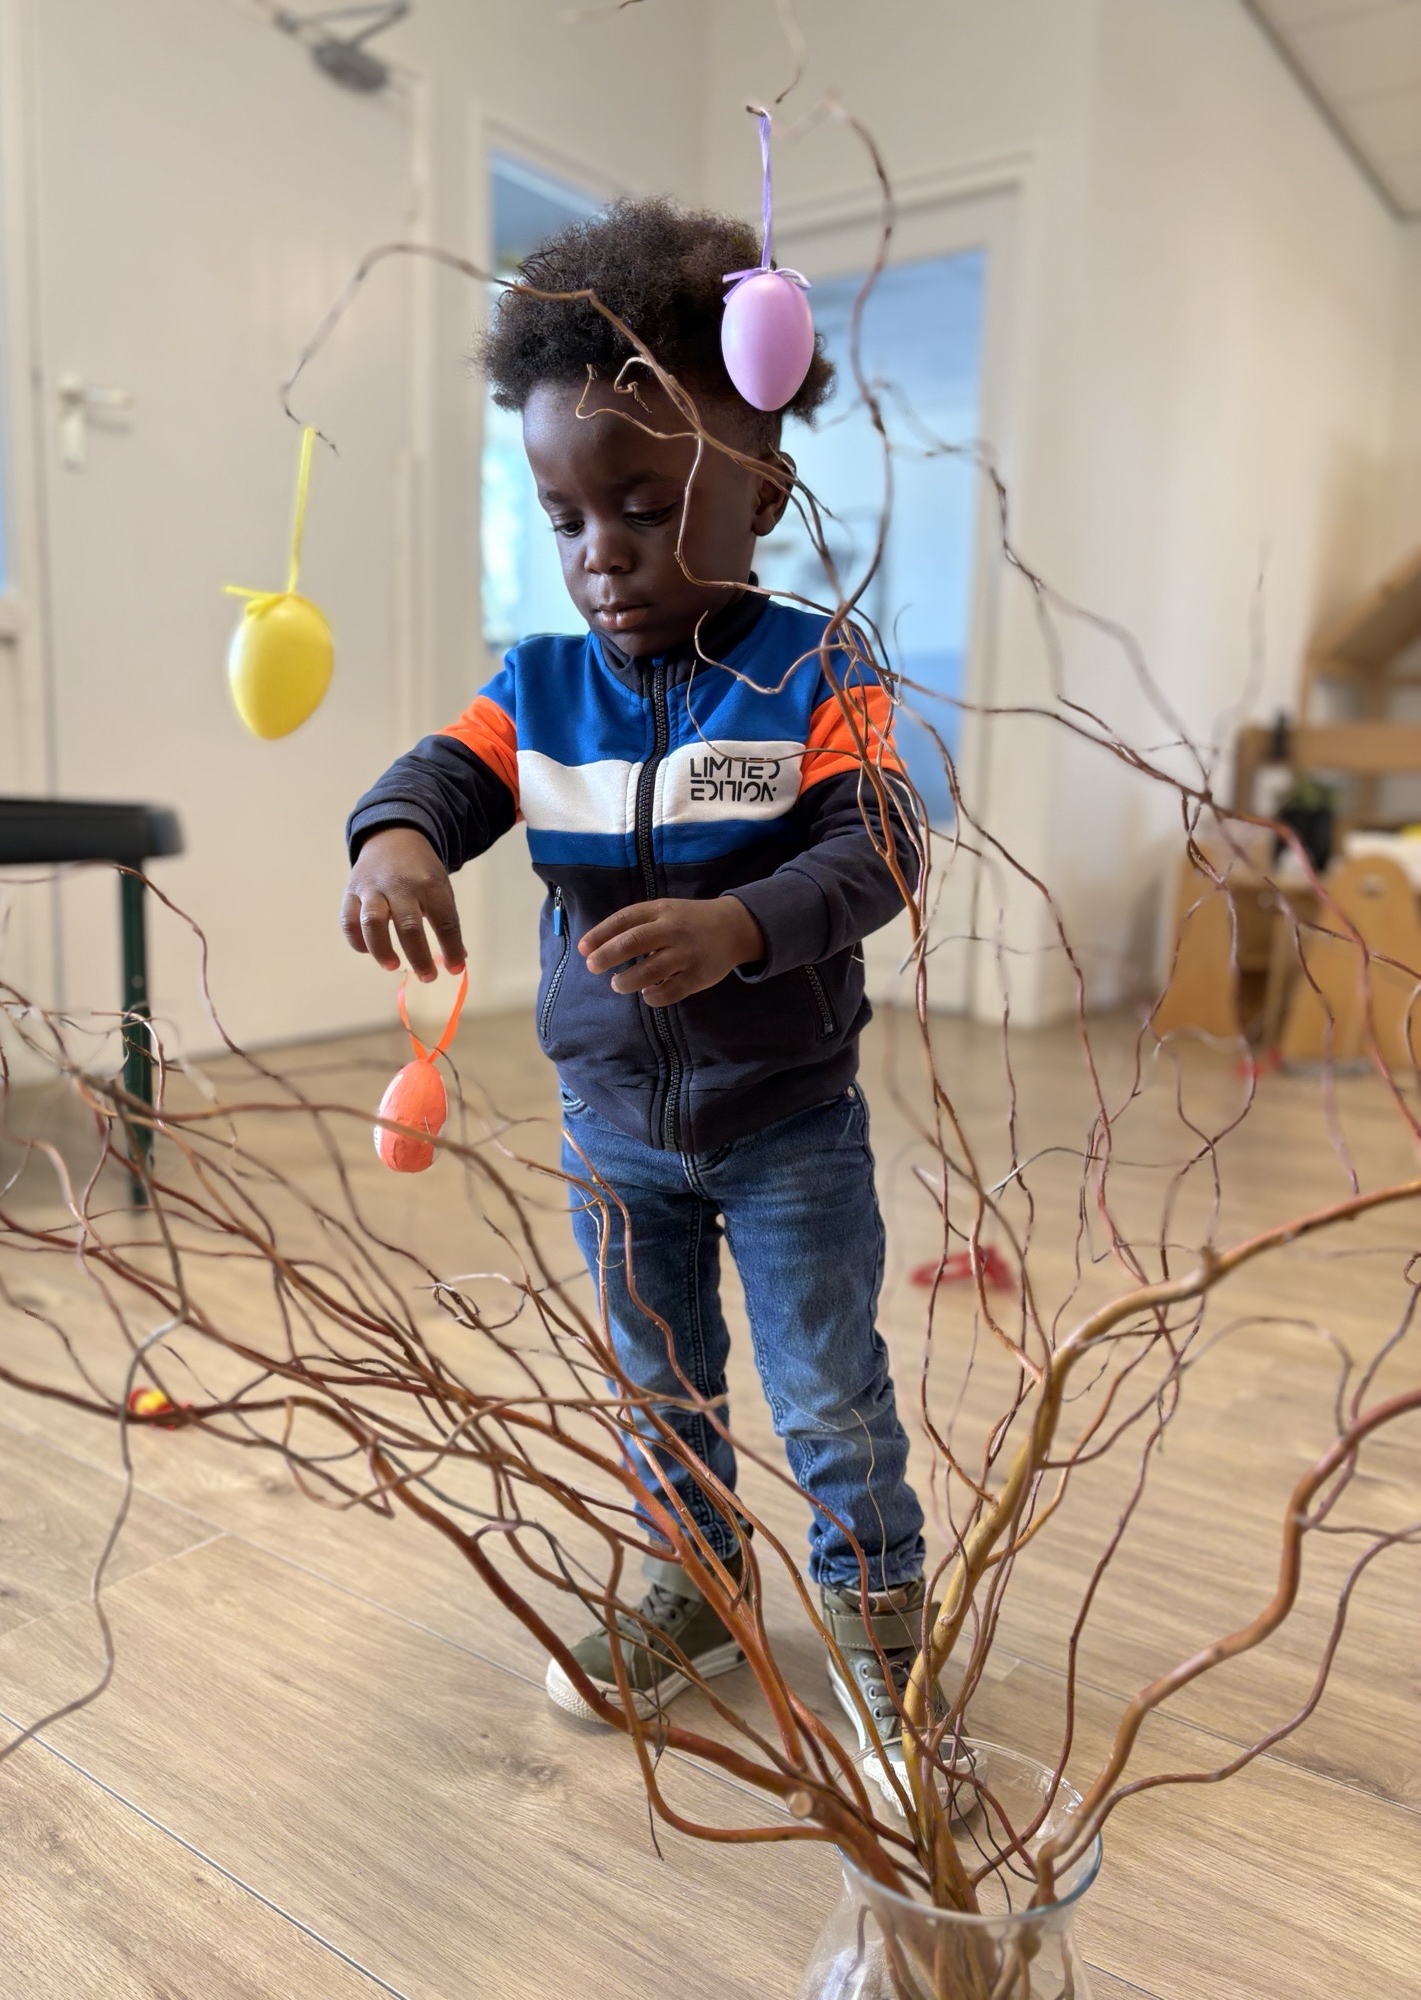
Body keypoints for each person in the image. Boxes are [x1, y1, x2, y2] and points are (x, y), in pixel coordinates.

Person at [341, 196, 941, 1768]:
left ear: (764, 491)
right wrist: (395, 844)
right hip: (612, 1130)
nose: (601, 555)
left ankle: (882, 1636)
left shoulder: (816, 669)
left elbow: (883, 844)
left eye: (646, 507)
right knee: (656, 1389)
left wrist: (743, 925)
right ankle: (698, 1590)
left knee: (829, 1395)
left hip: (786, 1126)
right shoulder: (539, 687)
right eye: (565, 518)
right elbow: (437, 781)